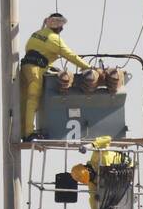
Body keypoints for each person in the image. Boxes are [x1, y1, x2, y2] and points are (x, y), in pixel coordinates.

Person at [19, 12, 96, 141]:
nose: (62, 29)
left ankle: (22, 132)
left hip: (25, 69)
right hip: (35, 71)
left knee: (23, 101)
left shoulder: (36, 34)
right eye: (61, 26)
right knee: (33, 100)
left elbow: (32, 50)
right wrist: (88, 67)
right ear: (57, 26)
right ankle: (29, 133)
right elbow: (70, 55)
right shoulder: (54, 38)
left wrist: (49, 67)